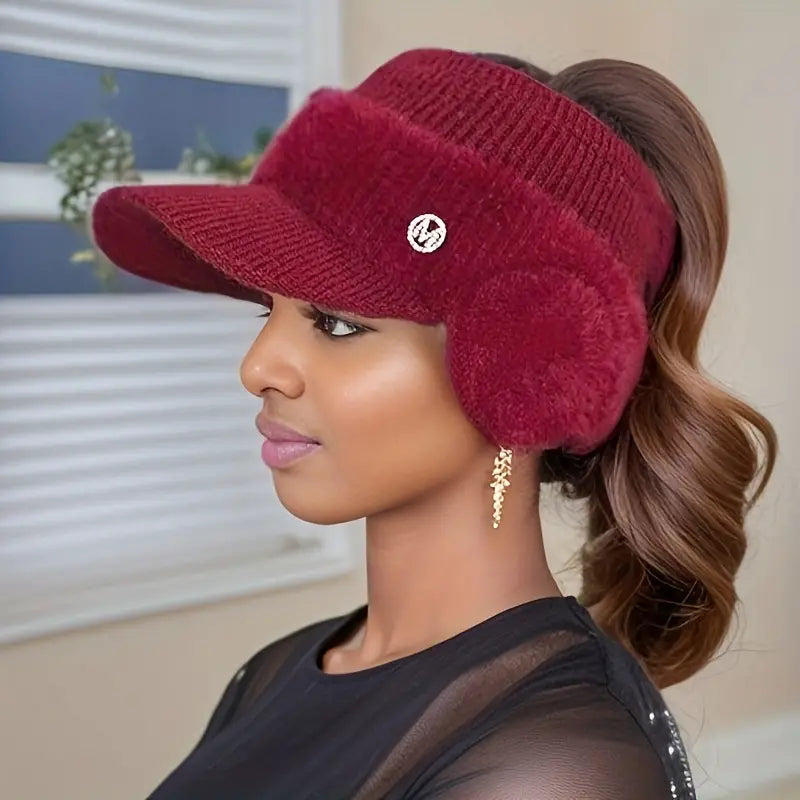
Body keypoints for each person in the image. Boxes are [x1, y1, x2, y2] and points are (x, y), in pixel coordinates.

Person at [90, 47, 777, 800]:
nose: (258, 367)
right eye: (266, 309)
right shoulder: (276, 672)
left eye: (338, 323)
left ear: (530, 371)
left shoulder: (547, 766)